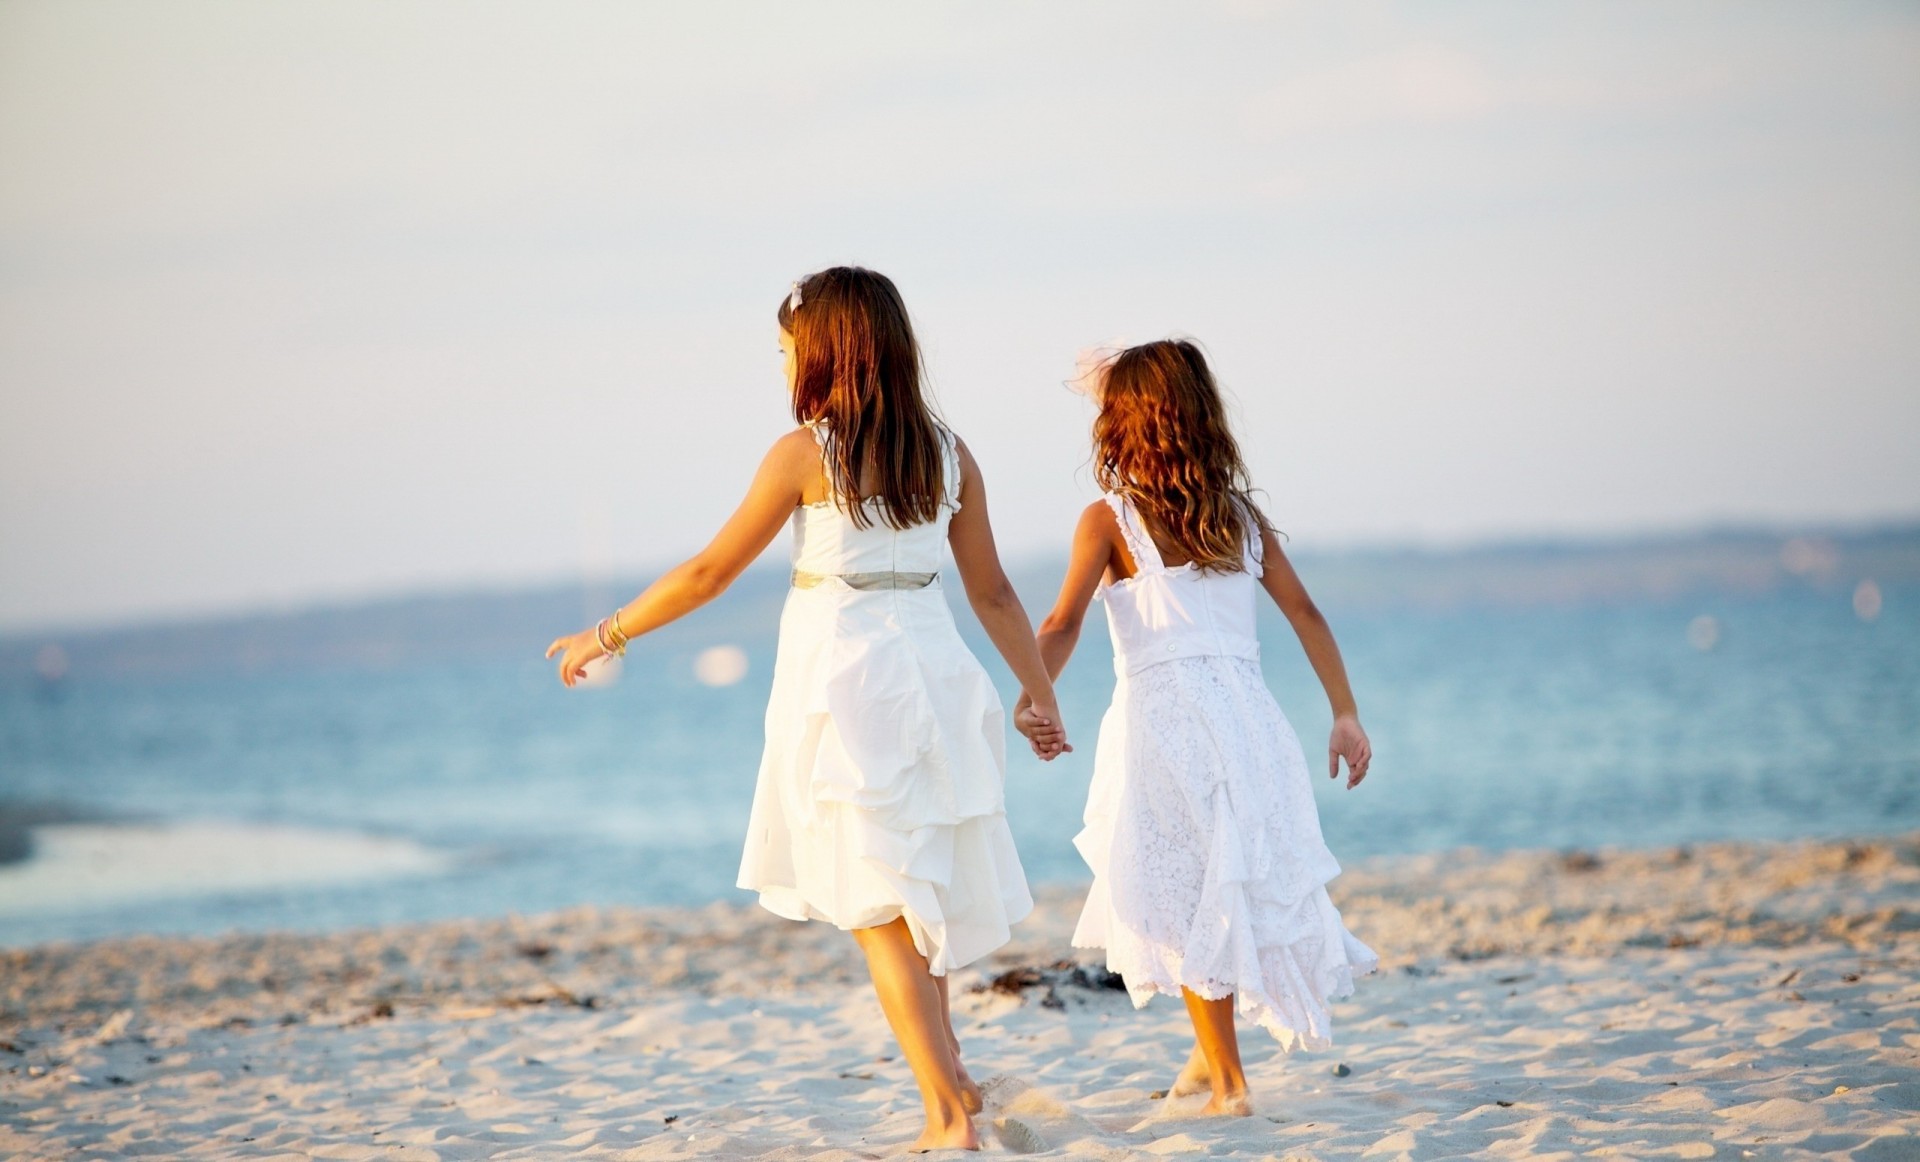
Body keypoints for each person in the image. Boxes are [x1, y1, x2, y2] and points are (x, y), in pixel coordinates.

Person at [547, 267, 1065, 1152]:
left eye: (788, 344)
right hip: (935, 674)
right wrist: (1038, 693)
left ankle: (946, 1119)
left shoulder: (805, 452)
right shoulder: (948, 452)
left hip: (848, 681)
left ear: (827, 349)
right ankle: (960, 1088)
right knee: (913, 897)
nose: (782, 359)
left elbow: (711, 573)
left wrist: (607, 632)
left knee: (879, 911)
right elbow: (995, 593)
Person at [1016, 338, 1377, 1117]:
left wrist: (1033, 692)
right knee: (1223, 882)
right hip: (1250, 721)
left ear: (1123, 423)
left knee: (1182, 897)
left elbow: (1061, 622)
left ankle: (1231, 1084)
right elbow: (1307, 615)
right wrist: (1343, 712)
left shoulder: (1108, 519)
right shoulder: (1240, 517)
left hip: (1167, 721)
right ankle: (1205, 1061)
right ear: (1203, 416)